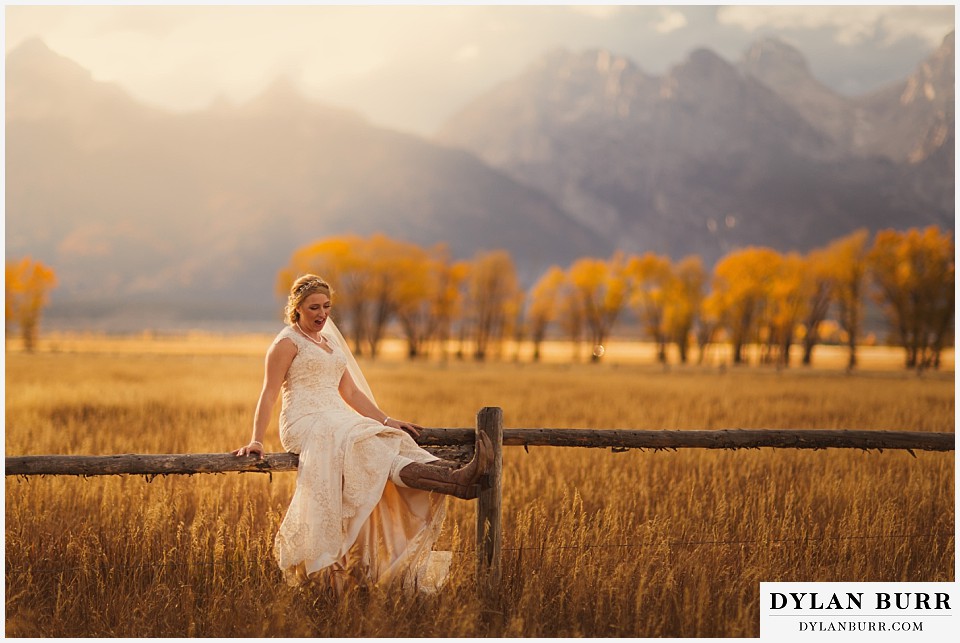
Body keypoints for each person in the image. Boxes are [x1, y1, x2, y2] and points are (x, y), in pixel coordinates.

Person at [233, 274, 492, 593]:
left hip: (337, 419)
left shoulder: (327, 342)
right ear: (297, 308)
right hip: (306, 422)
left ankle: (456, 477)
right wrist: (257, 438)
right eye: (314, 307)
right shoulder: (286, 342)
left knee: (388, 439)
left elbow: (352, 394)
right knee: (364, 441)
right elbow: (269, 393)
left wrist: (386, 420)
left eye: (327, 307)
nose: (322, 314)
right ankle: (457, 482)